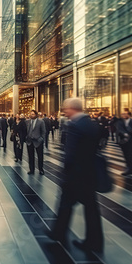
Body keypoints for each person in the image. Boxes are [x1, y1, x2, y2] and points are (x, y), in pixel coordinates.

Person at [49, 98, 104, 253]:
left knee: (66, 204)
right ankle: (95, 242)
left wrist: (64, 172)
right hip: (89, 174)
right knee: (91, 209)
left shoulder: (73, 125)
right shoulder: (93, 124)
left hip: (75, 176)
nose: (64, 111)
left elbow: (70, 154)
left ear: (73, 108)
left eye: (65, 108)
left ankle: (58, 233)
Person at [115, 111, 132, 176]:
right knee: (126, 155)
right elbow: (119, 129)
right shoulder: (120, 122)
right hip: (123, 141)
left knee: (131, 155)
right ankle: (131, 168)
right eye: (122, 114)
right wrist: (124, 134)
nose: (123, 115)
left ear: (129, 115)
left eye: (124, 114)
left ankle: (130, 168)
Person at [26, 110, 46, 175]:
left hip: (38, 141)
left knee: (40, 156)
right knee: (31, 156)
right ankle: (31, 169)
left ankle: (41, 169)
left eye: (33, 114)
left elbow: (43, 131)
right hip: (29, 141)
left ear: (36, 115)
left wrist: (41, 138)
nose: (32, 115)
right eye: (31, 114)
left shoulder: (41, 122)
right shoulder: (27, 122)